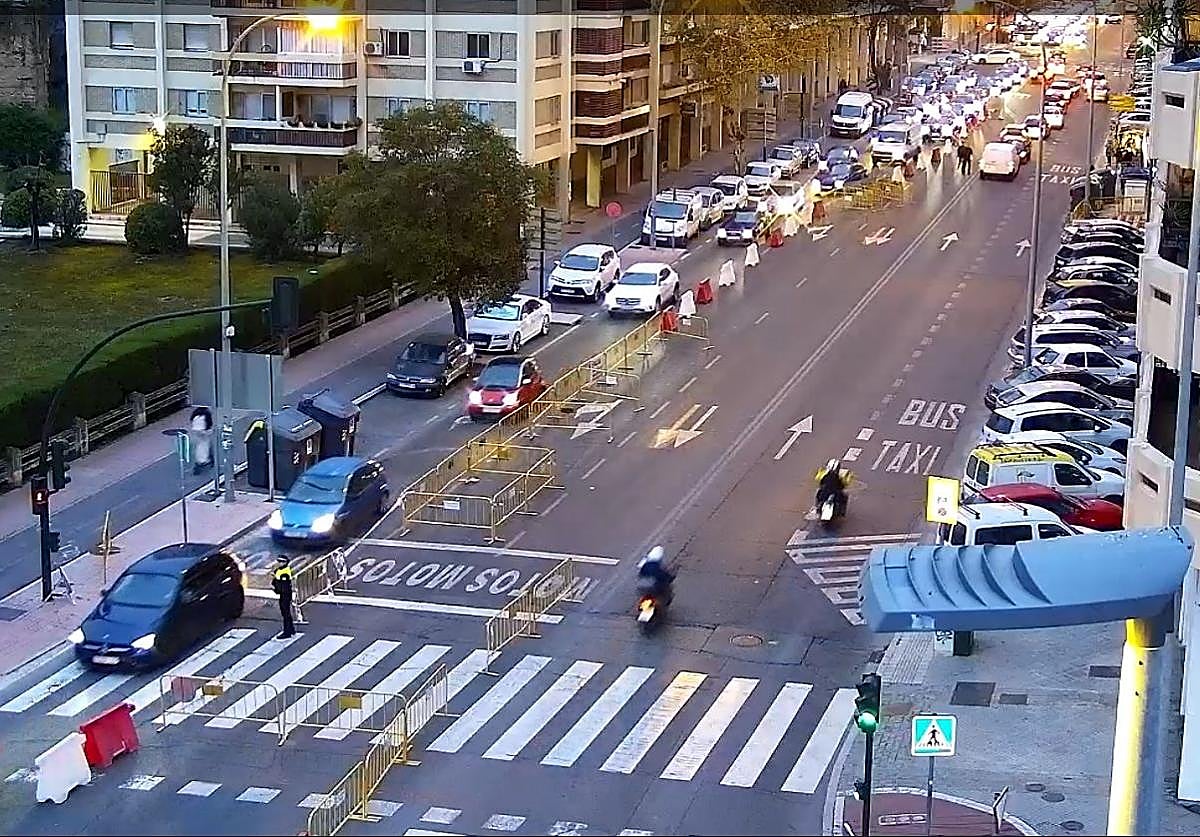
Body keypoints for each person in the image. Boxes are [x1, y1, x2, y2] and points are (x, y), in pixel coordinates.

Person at [272, 555, 295, 638]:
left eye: (281, 562)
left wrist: (276, 590)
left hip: (285, 595)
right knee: (286, 613)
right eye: (278, 561)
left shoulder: (285, 573)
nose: (279, 563)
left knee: (285, 613)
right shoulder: (280, 570)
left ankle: (287, 632)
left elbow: (283, 586)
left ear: (285, 563)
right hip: (284, 594)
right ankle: (291, 629)